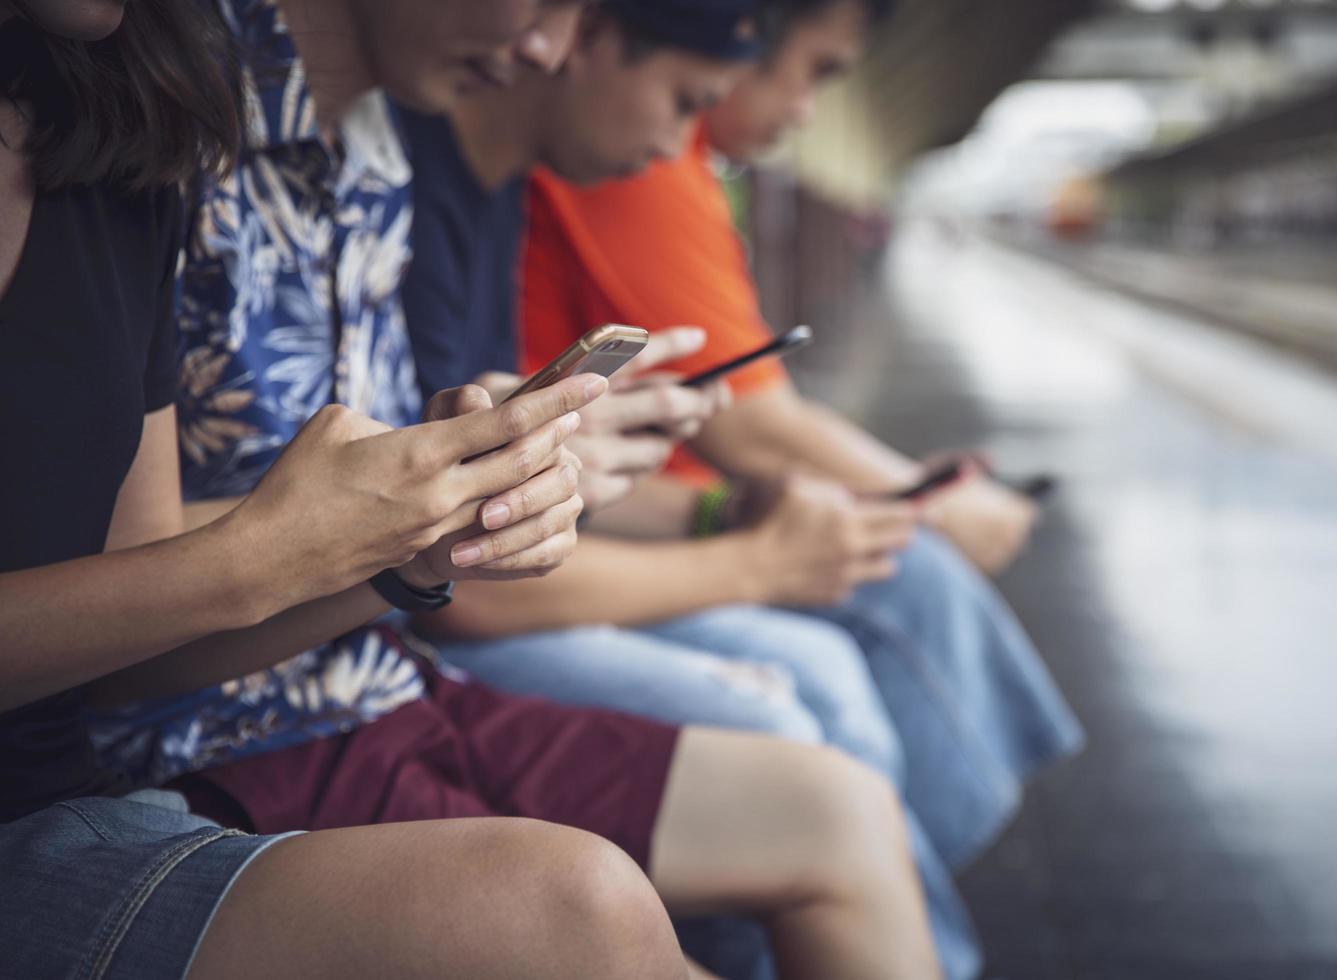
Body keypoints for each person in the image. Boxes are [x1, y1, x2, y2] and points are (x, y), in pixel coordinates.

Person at [76, 0, 942, 976]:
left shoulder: (376, 151)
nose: (545, 48)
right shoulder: (168, 119)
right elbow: (153, 557)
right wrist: (443, 498)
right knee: (693, 819)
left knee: (843, 803)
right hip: (226, 733)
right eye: (543, 5)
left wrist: (489, 459)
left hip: (385, 675)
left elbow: (395, 497)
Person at [0, 2, 686, 978]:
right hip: (213, 751)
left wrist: (409, 554)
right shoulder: (181, 132)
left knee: (790, 804)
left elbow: (122, 624)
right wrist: (263, 557)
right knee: (587, 908)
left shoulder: (126, 125)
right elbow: (188, 582)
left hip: (109, 784)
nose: (547, 48)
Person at [396, 5, 979, 976]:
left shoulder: (492, 195)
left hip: (436, 616)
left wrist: (713, 510)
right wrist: (751, 561)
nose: (683, 144)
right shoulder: (429, 183)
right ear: (593, 41)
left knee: (825, 670)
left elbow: (480, 515)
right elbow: (467, 574)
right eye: (681, 102)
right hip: (423, 641)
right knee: (792, 699)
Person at [520, 0, 1084, 871]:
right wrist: (935, 506)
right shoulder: (642, 162)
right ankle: (901, 887)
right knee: (883, 601)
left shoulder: (659, 151)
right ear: (741, 41)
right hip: (565, 547)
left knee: (868, 612)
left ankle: (897, 886)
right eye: (816, 69)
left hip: (619, 518)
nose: (808, 110)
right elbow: (757, 425)